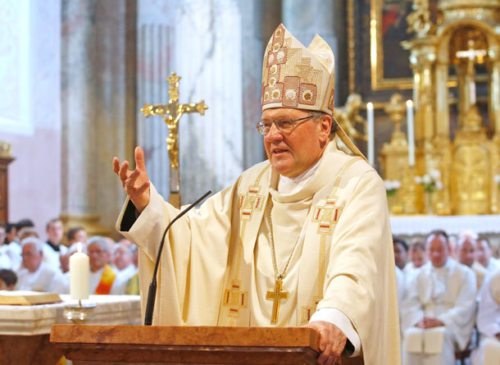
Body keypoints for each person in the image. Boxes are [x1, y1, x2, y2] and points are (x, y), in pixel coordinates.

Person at [113, 24, 400, 365]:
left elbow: (357, 264)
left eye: (285, 123)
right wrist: (147, 205)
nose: (273, 136)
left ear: (324, 127)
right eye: (267, 124)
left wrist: (335, 316)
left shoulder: (356, 183)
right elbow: (191, 239)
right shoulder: (250, 186)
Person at [401, 230, 476, 365]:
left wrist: (440, 320)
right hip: (422, 322)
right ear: (426, 251)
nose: (436, 254)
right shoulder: (418, 275)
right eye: (432, 249)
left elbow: (466, 306)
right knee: (411, 335)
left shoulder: (465, 274)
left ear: (449, 249)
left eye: (440, 249)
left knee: (439, 336)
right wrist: (419, 320)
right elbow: (409, 304)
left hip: (449, 325)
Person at [473, 269, 500, 365]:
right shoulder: (495, 278)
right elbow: (486, 316)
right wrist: (497, 332)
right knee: (489, 348)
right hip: (497, 333)